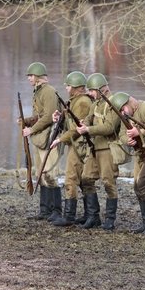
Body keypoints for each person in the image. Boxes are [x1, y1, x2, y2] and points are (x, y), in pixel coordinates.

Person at [110, 92, 145, 235]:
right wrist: (127, 140)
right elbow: (122, 134)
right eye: (120, 111)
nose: (122, 113)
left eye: (123, 109)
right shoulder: (125, 118)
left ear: (129, 103)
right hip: (141, 154)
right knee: (137, 186)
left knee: (142, 184)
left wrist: (138, 131)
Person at [47, 71, 97, 227]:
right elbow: (69, 123)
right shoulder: (74, 101)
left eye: (68, 86)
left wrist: (60, 139)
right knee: (82, 180)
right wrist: (58, 118)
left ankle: (69, 216)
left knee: (71, 179)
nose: (67, 88)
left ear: (76, 87)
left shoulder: (82, 102)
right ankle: (91, 215)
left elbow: (77, 128)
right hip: (76, 145)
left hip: (79, 146)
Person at [76, 73, 121, 230]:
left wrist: (88, 129)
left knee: (108, 182)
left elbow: (109, 127)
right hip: (94, 147)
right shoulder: (95, 104)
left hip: (108, 149)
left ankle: (110, 219)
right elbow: (89, 117)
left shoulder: (113, 103)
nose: (89, 93)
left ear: (101, 89)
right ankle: (93, 217)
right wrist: (83, 123)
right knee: (85, 179)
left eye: (92, 90)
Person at [20, 62, 62, 222]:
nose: (29, 78)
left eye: (30, 75)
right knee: (40, 174)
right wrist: (27, 121)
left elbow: (48, 116)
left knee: (50, 174)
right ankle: (45, 210)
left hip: (49, 138)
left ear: (38, 76)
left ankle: (56, 211)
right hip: (40, 138)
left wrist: (31, 129)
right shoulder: (38, 92)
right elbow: (40, 116)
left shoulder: (49, 91)